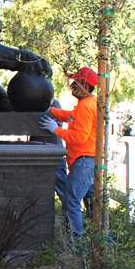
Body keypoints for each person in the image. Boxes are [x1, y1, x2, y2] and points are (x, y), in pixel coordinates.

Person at [39, 66, 98, 240]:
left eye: (78, 82)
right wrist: (51, 111)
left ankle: (77, 244)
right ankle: (102, 243)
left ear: (85, 86)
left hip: (84, 160)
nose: (73, 85)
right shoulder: (88, 103)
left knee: (71, 202)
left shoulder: (86, 106)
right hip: (87, 160)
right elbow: (71, 116)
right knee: (93, 204)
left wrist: (55, 130)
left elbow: (79, 137)